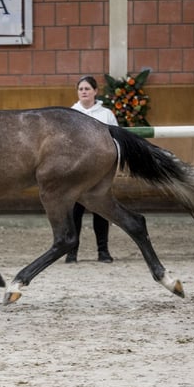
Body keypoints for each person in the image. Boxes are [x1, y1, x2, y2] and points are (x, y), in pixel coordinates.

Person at [66, 75, 118, 263]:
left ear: (95, 91)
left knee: (101, 211)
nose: (84, 92)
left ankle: (103, 251)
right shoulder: (70, 114)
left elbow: (115, 141)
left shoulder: (106, 115)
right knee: (74, 213)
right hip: (76, 172)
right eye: (81, 89)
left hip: (98, 171)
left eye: (87, 88)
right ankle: (72, 252)